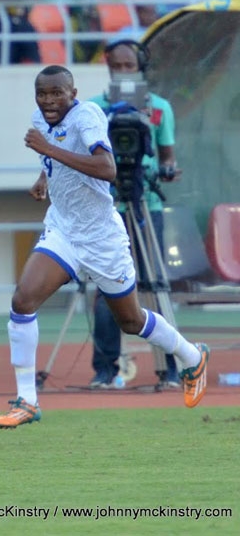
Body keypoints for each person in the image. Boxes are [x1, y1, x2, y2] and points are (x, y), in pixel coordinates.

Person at [0, 65, 209, 429]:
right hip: (63, 229)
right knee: (22, 300)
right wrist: (44, 177)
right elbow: (57, 154)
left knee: (130, 320)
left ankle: (191, 354)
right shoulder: (40, 119)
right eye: (42, 93)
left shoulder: (88, 115)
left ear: (72, 93)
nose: (48, 100)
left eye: (56, 93)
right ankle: (27, 400)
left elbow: (107, 168)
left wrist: (48, 150)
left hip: (101, 237)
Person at [86, 40, 180, 389]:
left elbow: (167, 155)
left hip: (146, 205)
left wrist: (167, 169)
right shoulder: (93, 109)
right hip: (107, 207)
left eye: (130, 65)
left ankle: (170, 367)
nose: (124, 72)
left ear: (140, 67)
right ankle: (104, 369)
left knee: (154, 287)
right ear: (108, 67)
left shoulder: (160, 109)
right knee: (106, 288)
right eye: (117, 66)